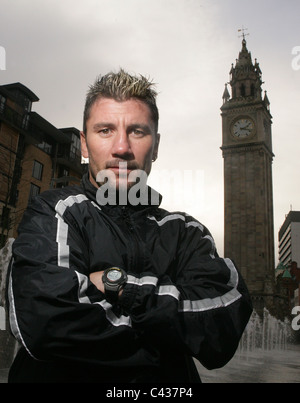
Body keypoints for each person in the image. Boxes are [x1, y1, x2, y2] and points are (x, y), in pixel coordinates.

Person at [7, 69, 252, 383]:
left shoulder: (185, 232)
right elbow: (44, 324)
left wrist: (118, 285)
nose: (121, 147)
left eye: (137, 131)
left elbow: (221, 324)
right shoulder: (54, 212)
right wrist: (167, 348)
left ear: (157, 144)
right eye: (105, 130)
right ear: (84, 144)